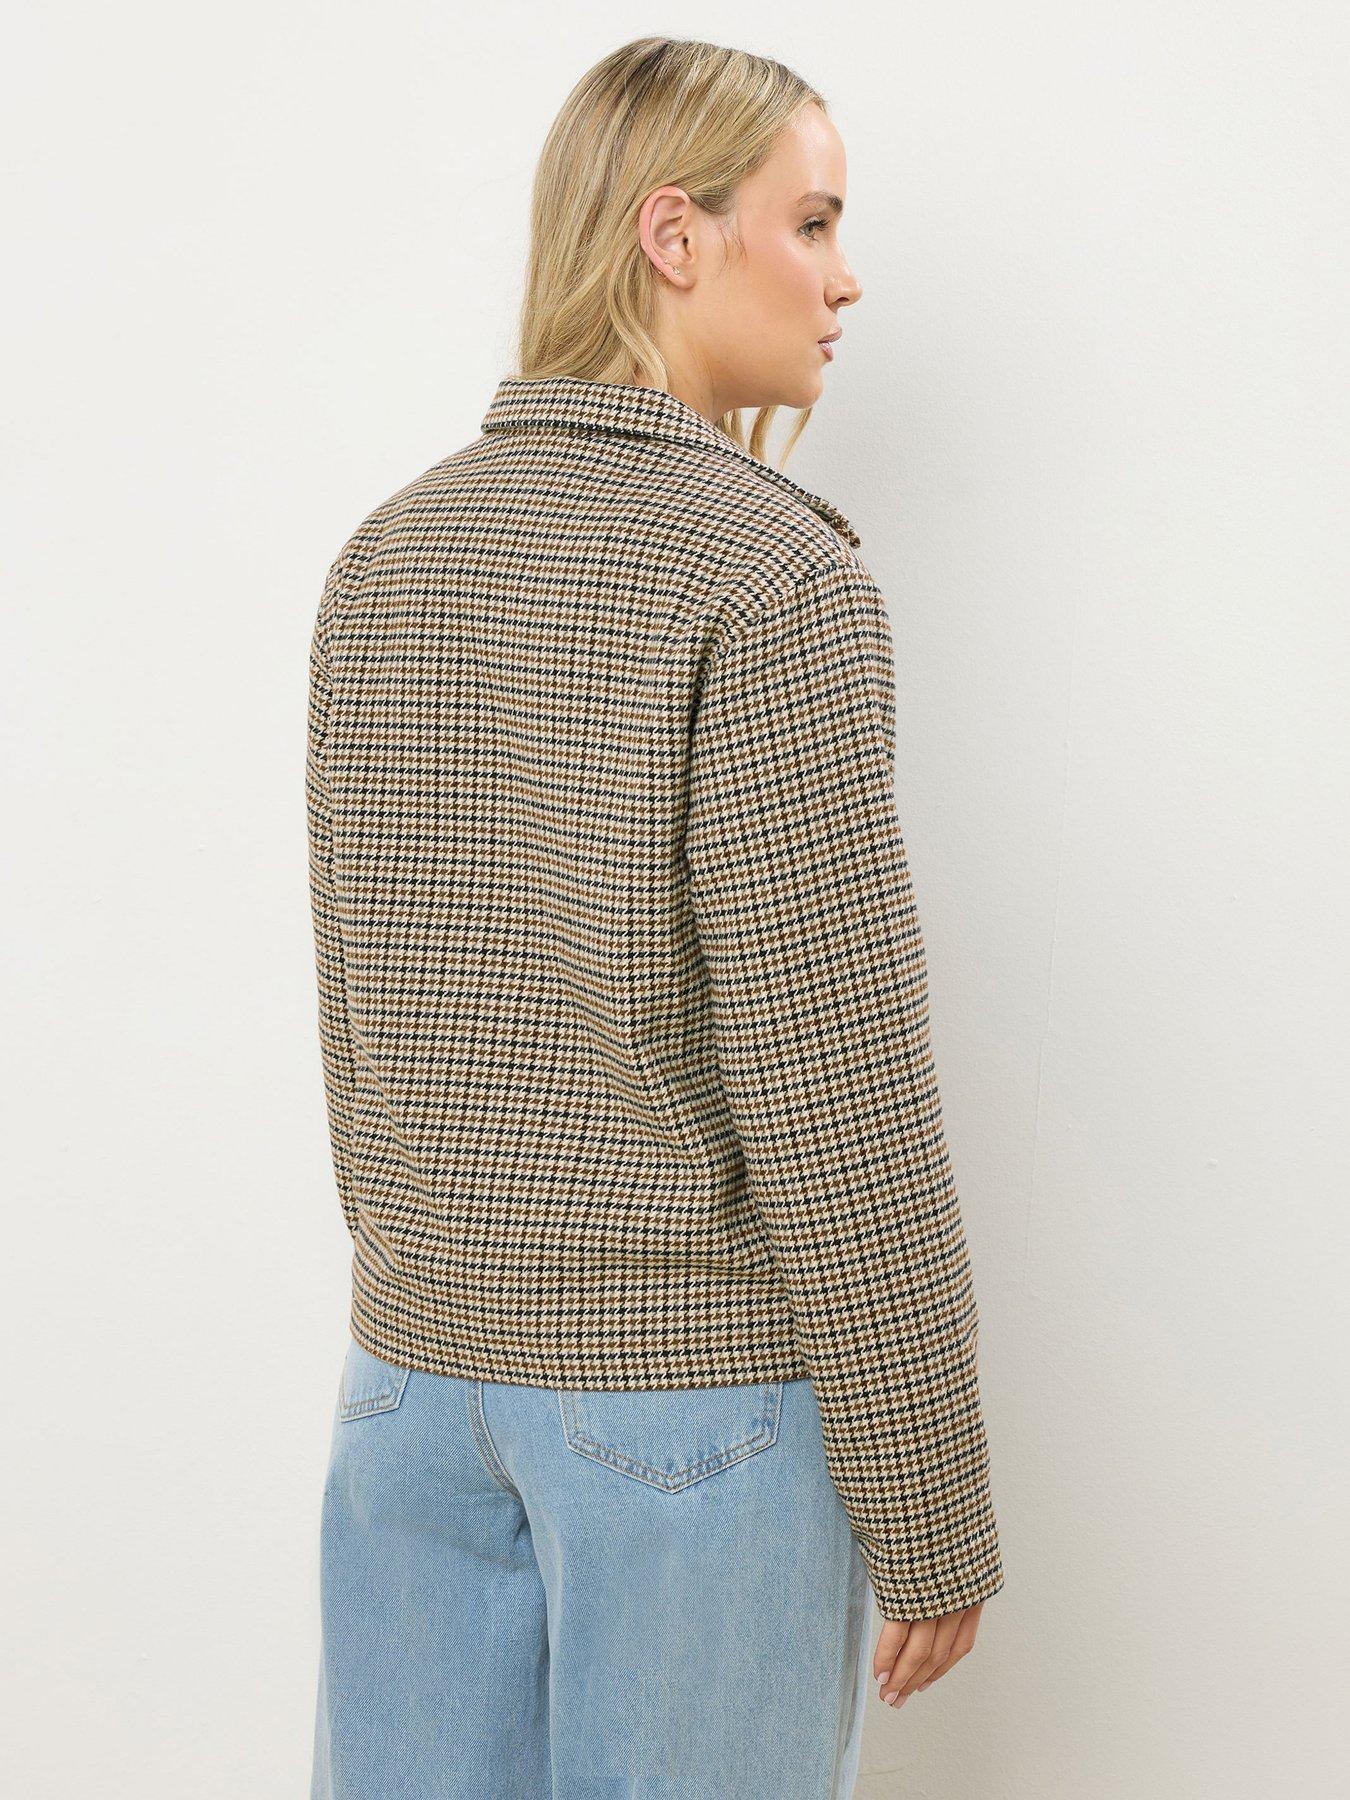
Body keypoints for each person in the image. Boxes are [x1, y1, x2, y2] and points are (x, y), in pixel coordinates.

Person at [305, 35, 1004, 1800]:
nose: (845, 278)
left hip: (407, 1397)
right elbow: (832, 1077)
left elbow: (357, 1012)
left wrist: (427, 1291)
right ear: (672, 236)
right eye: (812, 222)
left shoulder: (389, 554)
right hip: (682, 1414)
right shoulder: (771, 579)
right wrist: (928, 1499)